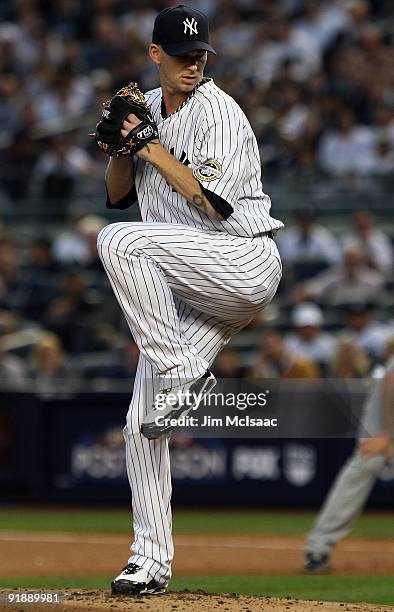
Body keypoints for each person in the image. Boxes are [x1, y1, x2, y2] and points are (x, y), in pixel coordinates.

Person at [95, 5, 283, 596]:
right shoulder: (147, 110)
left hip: (241, 260)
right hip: (188, 284)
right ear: (156, 55)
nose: (193, 64)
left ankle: (179, 371)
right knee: (142, 423)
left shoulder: (220, 111)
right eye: (182, 55)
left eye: (200, 54)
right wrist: (123, 150)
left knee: (119, 244)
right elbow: (117, 197)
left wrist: (149, 148)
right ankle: (149, 562)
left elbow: (214, 206)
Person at [304, 336, 394, 572]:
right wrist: (385, 433)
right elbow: (392, 380)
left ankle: (319, 546)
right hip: (382, 426)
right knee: (364, 465)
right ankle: (318, 547)